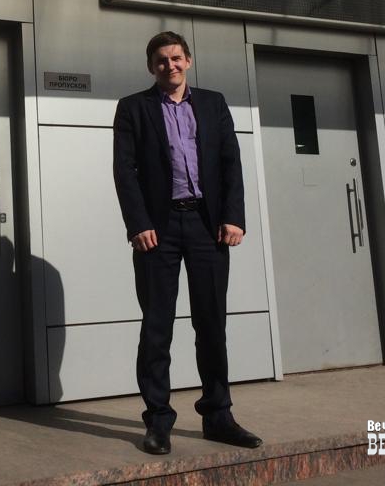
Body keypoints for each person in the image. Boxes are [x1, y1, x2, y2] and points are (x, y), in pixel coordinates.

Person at [113, 30, 262, 455]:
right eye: (162, 60)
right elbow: (124, 170)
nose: (170, 65)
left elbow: (231, 164)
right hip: (157, 231)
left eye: (176, 58)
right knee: (157, 326)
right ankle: (158, 421)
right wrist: (138, 223)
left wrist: (234, 216)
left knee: (211, 323)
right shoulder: (133, 108)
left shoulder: (213, 104)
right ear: (151, 67)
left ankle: (218, 416)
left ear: (188, 61)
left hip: (206, 226)